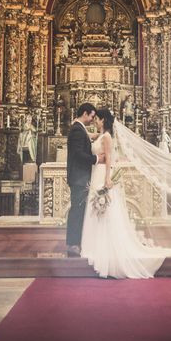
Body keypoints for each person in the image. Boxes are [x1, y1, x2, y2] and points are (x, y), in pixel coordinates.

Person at [80, 108, 171, 278]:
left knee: (105, 211)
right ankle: (93, 246)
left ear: (103, 120)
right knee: (96, 210)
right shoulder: (101, 136)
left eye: (97, 119)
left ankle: (105, 248)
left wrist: (108, 179)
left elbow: (110, 158)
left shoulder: (108, 137)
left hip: (103, 174)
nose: (95, 122)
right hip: (96, 173)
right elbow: (94, 140)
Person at [65, 103, 104, 258]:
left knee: (79, 210)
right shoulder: (77, 130)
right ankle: (73, 244)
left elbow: (82, 142)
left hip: (80, 176)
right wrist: (96, 158)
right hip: (79, 177)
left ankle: (75, 242)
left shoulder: (79, 129)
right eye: (92, 116)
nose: (92, 120)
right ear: (86, 114)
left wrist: (92, 137)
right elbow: (78, 154)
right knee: (77, 210)